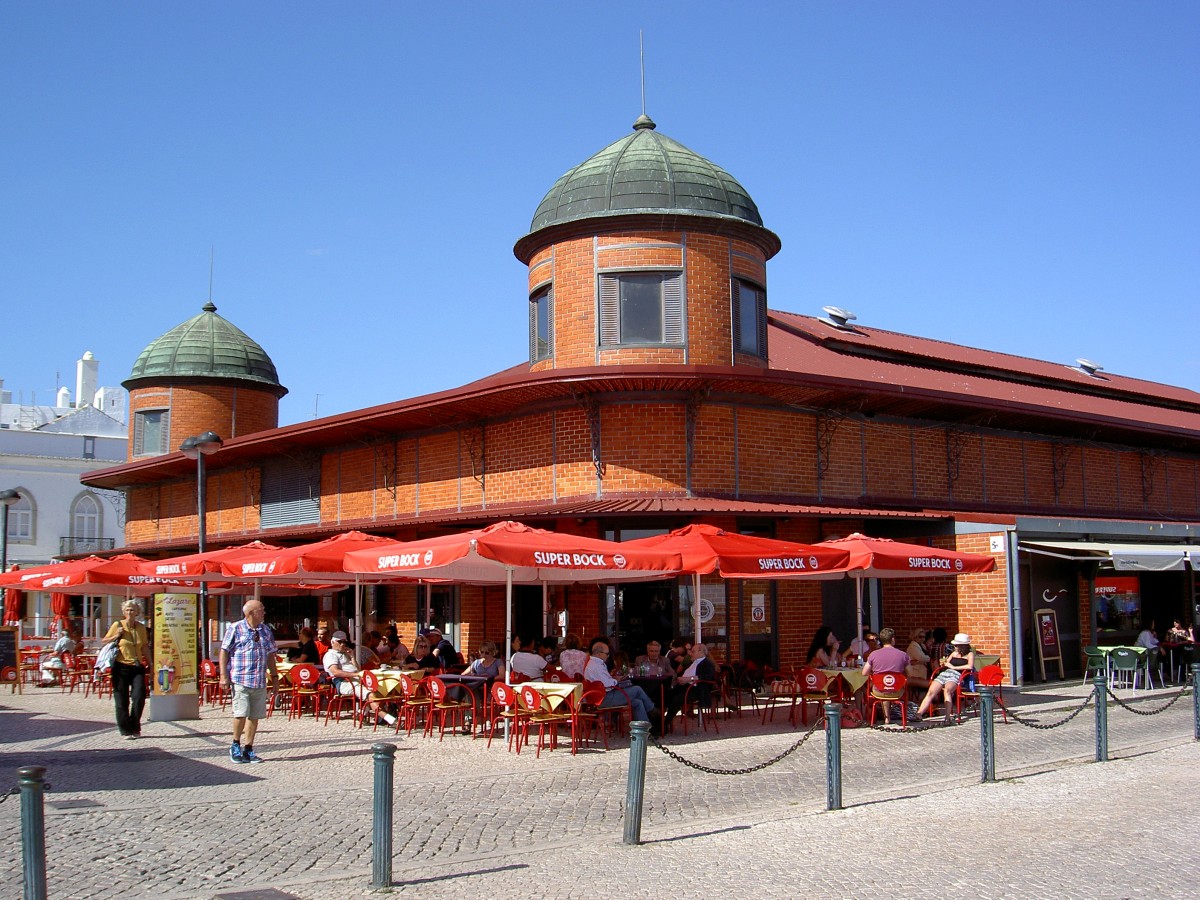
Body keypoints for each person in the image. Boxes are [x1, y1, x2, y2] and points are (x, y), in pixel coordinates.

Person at [219, 599, 278, 762]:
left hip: (259, 680)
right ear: (251, 613)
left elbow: (270, 655)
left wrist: (274, 677)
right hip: (241, 678)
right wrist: (223, 676)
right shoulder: (235, 628)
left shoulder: (265, 630)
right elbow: (224, 652)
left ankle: (249, 748)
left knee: (255, 715)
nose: (264, 612)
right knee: (240, 713)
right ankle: (235, 745)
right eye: (261, 610)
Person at [584, 637, 661, 737]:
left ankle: (645, 730)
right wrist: (616, 680)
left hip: (602, 695)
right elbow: (608, 684)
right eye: (607, 654)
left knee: (637, 702)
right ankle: (653, 711)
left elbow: (605, 681)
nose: (608, 656)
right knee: (637, 689)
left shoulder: (595, 663)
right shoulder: (595, 665)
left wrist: (614, 679)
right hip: (604, 698)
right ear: (598, 653)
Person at [104, 599, 152, 739]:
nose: (130, 612)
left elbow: (144, 646)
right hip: (120, 666)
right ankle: (125, 730)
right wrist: (116, 635)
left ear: (137, 612)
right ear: (123, 612)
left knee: (139, 697)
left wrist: (151, 664)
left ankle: (135, 725)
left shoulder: (141, 628)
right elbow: (104, 641)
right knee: (122, 700)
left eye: (132, 609)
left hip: (137, 666)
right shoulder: (117, 625)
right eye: (127, 610)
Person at [915, 632, 975, 722]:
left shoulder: (970, 654)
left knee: (947, 691)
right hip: (946, 673)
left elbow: (970, 666)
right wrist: (945, 663)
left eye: (957, 645)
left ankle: (947, 717)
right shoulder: (954, 653)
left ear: (963, 646)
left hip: (957, 675)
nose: (955, 647)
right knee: (931, 692)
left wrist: (955, 667)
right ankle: (919, 714)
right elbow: (947, 663)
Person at [664, 643, 718, 731]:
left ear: (700, 652)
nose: (691, 653)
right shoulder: (693, 662)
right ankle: (659, 721)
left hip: (698, 690)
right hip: (686, 687)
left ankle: (665, 723)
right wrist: (682, 679)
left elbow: (706, 677)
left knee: (676, 699)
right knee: (665, 695)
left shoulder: (707, 663)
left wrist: (689, 679)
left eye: (693, 651)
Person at [862, 627, 910, 722]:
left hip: (879, 690)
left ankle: (886, 718)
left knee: (882, 685)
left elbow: (864, 673)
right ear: (892, 639)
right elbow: (910, 672)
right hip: (897, 690)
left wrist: (875, 673)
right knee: (892, 685)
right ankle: (893, 718)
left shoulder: (873, 655)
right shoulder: (903, 655)